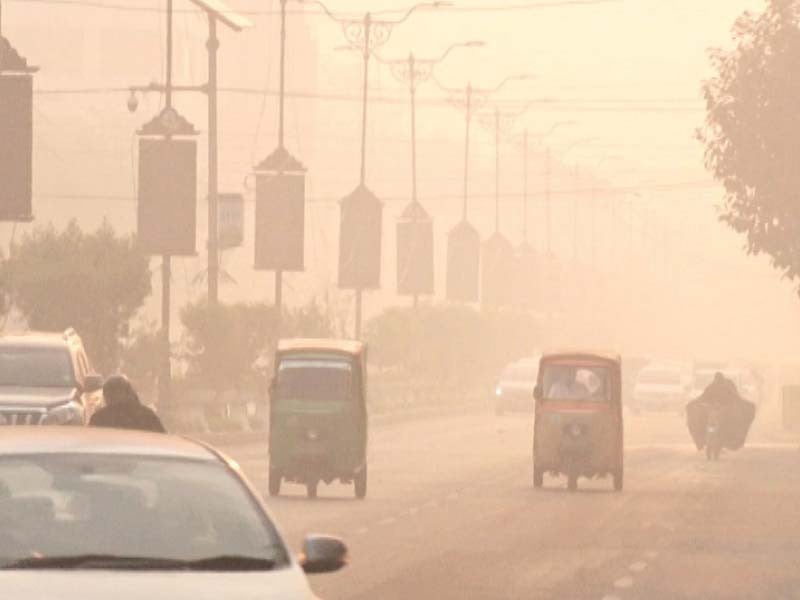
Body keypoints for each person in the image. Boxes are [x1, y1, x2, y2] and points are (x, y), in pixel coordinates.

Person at [89, 374, 166, 433]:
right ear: (131, 393)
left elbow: (90, 445)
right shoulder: (147, 416)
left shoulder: (99, 419)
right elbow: (163, 443)